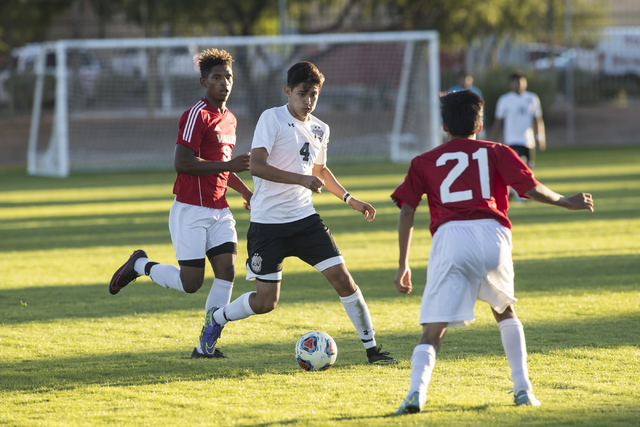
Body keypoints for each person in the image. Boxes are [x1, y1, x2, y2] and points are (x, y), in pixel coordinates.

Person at [391, 90, 593, 414]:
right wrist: (566, 201)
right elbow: (529, 189)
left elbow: (407, 210)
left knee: (433, 328)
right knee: (505, 311)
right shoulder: (498, 151)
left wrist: (403, 263)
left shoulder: (423, 161)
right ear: (480, 123)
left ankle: (415, 393)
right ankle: (523, 389)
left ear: (444, 125)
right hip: (494, 235)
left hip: (451, 237)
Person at [197, 61, 397, 365]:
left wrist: (350, 199)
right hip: (268, 225)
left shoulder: (320, 128)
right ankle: (217, 318)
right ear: (288, 91)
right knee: (266, 303)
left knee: (344, 279)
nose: (308, 100)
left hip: (305, 221)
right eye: (302, 93)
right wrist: (301, 179)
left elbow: (320, 170)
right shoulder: (271, 118)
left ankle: (372, 350)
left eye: (314, 94)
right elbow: (257, 165)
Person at [109, 48, 252, 359]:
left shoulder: (230, 119)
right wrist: (230, 167)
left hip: (220, 210)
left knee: (227, 271)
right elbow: (182, 163)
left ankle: (206, 344)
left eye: (228, 77)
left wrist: (244, 191)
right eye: (217, 78)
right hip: (190, 210)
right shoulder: (195, 115)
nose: (224, 83)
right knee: (191, 284)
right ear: (204, 82)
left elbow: (222, 164)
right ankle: (140, 265)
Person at [491, 70, 546, 167]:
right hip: (512, 141)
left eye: (521, 81)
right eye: (516, 82)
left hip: (528, 141)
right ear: (511, 84)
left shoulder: (532, 98)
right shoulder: (505, 100)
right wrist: (493, 140)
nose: (519, 84)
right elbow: (498, 121)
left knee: (528, 170)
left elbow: (537, 119)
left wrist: (540, 137)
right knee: (516, 168)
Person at [447, 71, 485, 138]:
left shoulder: (476, 91)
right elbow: (447, 109)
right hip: (456, 124)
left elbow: (481, 109)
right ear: (459, 79)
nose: (465, 81)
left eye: (467, 78)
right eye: (463, 78)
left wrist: (482, 122)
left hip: (473, 124)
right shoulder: (453, 91)